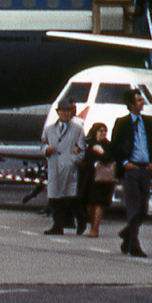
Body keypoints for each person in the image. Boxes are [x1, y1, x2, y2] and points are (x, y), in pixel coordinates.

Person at [111, 88, 152, 257]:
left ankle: (127, 234)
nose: (142, 103)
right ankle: (134, 244)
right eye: (139, 101)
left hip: (145, 168)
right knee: (134, 205)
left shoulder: (148, 121)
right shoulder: (122, 123)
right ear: (131, 104)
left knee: (143, 207)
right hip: (131, 169)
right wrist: (125, 163)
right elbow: (115, 146)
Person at [41, 97, 87, 235]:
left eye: (68, 111)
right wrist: (46, 150)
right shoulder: (50, 129)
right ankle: (57, 225)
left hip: (68, 167)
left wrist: (72, 161)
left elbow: (81, 149)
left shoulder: (77, 129)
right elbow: (42, 144)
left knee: (70, 196)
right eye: (63, 111)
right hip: (54, 165)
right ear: (58, 112)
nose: (66, 114)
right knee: (54, 197)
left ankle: (81, 220)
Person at [80, 122, 117, 238]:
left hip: (102, 180)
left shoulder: (108, 145)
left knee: (98, 203)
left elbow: (110, 159)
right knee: (89, 204)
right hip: (89, 178)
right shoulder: (88, 144)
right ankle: (91, 225)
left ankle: (95, 228)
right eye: (100, 131)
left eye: (105, 131)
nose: (103, 133)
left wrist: (101, 152)